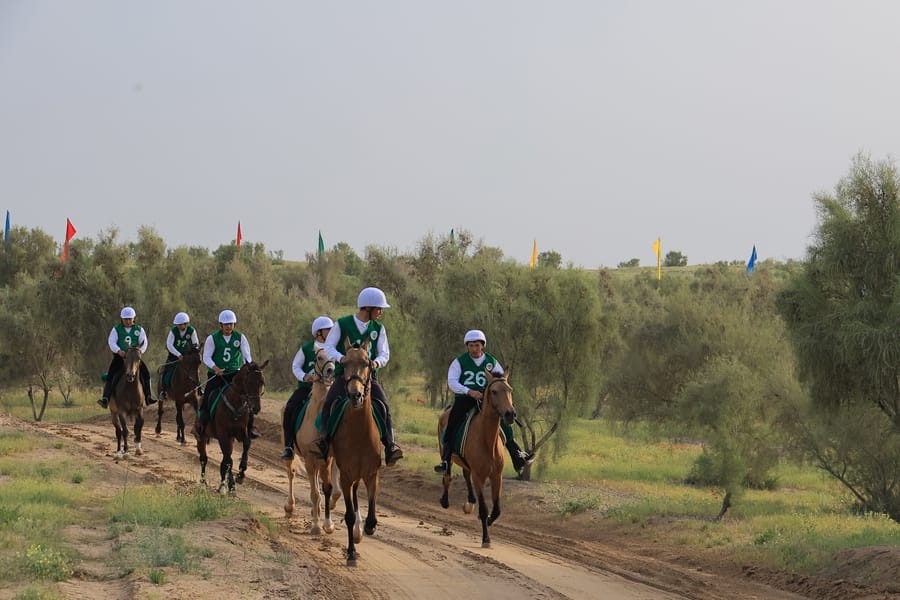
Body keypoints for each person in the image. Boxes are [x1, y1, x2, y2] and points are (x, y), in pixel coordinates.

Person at [314, 287, 403, 466]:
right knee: (329, 403)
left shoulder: (378, 328)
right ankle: (323, 442)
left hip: (367, 378)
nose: (381, 312)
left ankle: (390, 446)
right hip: (344, 376)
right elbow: (329, 346)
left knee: (384, 406)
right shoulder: (343, 323)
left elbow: (384, 353)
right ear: (368, 308)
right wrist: (341, 358)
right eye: (379, 309)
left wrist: (377, 362)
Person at [434, 329, 535, 476]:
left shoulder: (492, 362)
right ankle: (445, 461)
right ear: (467, 346)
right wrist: (469, 391)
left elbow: (501, 381)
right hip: (464, 399)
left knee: (503, 424)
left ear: (483, 346)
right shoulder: (459, 362)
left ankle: (518, 455)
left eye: (477, 345)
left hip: (487, 400)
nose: (474, 349)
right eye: (471, 346)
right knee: (452, 424)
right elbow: (452, 382)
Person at [195, 309, 259, 438]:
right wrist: (215, 367)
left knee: (247, 397)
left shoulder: (240, 337)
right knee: (207, 397)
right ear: (221, 325)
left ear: (234, 324)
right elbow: (206, 356)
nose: (229, 326)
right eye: (226, 324)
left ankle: (250, 426)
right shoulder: (212, 338)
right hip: (217, 375)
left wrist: (249, 367)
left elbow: (247, 356)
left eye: (231, 324)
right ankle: (201, 424)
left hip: (235, 375)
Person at [280, 316, 334, 460]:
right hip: (306, 389)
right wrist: (305, 377)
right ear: (319, 332)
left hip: (330, 389)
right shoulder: (306, 348)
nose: (331, 331)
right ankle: (289, 446)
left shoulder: (334, 348)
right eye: (328, 329)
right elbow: (295, 366)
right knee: (290, 409)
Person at [97, 306, 156, 408]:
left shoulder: (139, 330)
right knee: (111, 374)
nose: (128, 321)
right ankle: (106, 398)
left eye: (130, 319)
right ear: (122, 319)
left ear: (134, 319)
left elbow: (144, 342)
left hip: (134, 358)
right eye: (126, 319)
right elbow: (111, 341)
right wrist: (118, 351)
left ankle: (148, 397)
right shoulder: (116, 329)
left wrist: (139, 352)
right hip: (120, 357)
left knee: (145, 374)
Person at [158, 312, 200, 401]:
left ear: (186, 324)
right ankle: (164, 391)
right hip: (174, 356)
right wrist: (178, 355)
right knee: (166, 372)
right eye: (178, 324)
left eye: (181, 324)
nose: (179, 326)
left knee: (194, 370)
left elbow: (195, 343)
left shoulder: (191, 331)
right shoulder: (173, 331)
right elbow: (169, 345)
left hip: (187, 357)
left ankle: (198, 387)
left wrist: (191, 353)